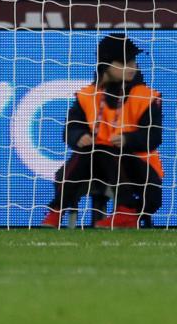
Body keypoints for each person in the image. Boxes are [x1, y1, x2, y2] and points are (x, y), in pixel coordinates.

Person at [40, 35, 163, 229]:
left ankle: (58, 210)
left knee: (100, 151)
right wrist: (79, 137)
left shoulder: (147, 96)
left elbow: (154, 137)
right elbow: (70, 129)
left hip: (139, 168)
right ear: (106, 65)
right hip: (95, 164)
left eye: (132, 61)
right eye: (123, 62)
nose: (131, 66)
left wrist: (127, 139)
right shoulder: (87, 95)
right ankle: (122, 211)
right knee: (90, 151)